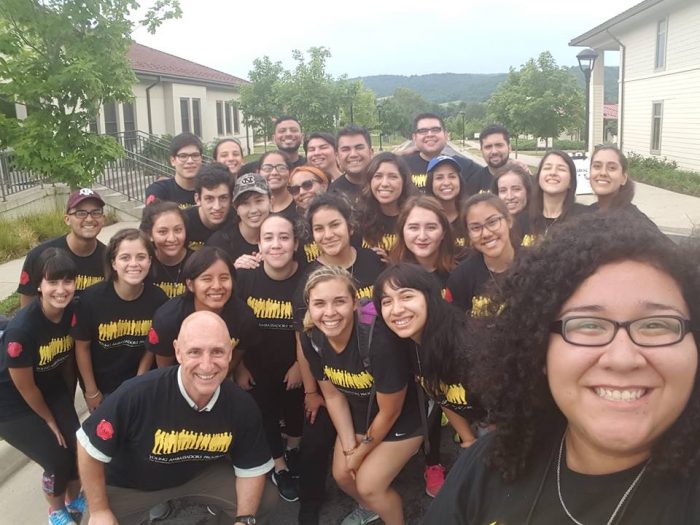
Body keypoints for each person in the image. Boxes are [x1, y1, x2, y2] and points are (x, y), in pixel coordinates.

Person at [425, 211, 700, 524]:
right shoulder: (488, 464)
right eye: (587, 324)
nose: (623, 359)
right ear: (539, 349)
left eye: (655, 324)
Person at [77, 311, 278, 525]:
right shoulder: (138, 393)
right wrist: (99, 510)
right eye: (195, 352)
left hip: (195, 477)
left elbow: (251, 468)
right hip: (132, 484)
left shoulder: (241, 405)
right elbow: (88, 447)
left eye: (217, 352)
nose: (207, 365)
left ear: (230, 353)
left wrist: (244, 520)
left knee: (265, 499)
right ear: (178, 352)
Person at [300, 266, 422, 525]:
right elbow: (332, 397)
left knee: (368, 484)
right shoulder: (311, 337)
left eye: (340, 301)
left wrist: (361, 451)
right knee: (343, 475)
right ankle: (371, 508)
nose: (330, 313)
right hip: (362, 412)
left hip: (404, 415)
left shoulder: (378, 341)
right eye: (319, 303)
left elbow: (391, 411)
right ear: (308, 305)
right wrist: (348, 447)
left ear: (355, 302)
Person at [292, 192, 385, 525]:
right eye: (319, 228)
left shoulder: (374, 263)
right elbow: (303, 340)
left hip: (375, 376)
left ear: (350, 225)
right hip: (331, 379)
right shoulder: (306, 279)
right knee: (315, 436)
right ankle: (310, 504)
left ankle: (378, 488)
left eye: (335, 225)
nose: (328, 234)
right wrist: (311, 392)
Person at [376, 263, 485, 496]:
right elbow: (441, 393)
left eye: (406, 296)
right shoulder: (409, 345)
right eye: (386, 301)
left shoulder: (468, 343)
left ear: (430, 298)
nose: (396, 310)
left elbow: (514, 403)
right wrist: (467, 439)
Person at [0, 248, 84, 525]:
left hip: (49, 387)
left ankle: (75, 499)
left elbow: (69, 360)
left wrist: (65, 406)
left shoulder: (71, 312)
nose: (61, 290)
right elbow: (25, 387)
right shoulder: (22, 331)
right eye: (53, 282)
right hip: (12, 403)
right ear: (39, 285)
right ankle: (56, 511)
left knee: (77, 446)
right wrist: (49, 420)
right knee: (56, 459)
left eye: (67, 282)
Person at [235, 214, 305, 503]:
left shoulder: (309, 276)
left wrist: (303, 364)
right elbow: (233, 325)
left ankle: (294, 450)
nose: (276, 245)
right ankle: (279, 465)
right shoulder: (246, 277)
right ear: (258, 244)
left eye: (284, 237)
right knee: (263, 409)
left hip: (297, 364)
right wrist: (238, 366)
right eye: (268, 238)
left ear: (296, 243)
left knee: (296, 412)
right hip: (255, 366)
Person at [73, 229, 168, 411]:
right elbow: (82, 346)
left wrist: (140, 380)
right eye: (125, 258)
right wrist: (91, 390)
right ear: (114, 263)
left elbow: (152, 345)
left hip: (141, 382)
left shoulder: (158, 298)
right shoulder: (91, 299)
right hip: (103, 388)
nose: (134, 264)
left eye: (141, 257)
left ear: (149, 261)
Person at [148, 247, 262, 372]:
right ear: (190, 285)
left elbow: (235, 357)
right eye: (207, 279)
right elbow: (164, 368)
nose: (217, 286)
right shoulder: (168, 318)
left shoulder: (244, 317)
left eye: (224, 278)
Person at [17, 188, 106, 307]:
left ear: (103, 218)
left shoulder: (110, 258)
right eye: (81, 213)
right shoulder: (39, 256)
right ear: (67, 219)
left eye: (96, 212)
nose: (89, 219)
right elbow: (26, 309)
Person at [446, 193, 518, 315]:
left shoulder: (535, 264)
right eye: (476, 228)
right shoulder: (462, 278)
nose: (486, 233)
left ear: (509, 221)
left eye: (492, 222)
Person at [402, 113, 485, 194]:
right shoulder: (402, 165)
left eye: (435, 130)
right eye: (423, 131)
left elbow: (492, 177)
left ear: (445, 135)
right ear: (414, 137)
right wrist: (401, 153)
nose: (430, 134)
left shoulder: (464, 166)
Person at [358, 152, 417, 261]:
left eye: (393, 177)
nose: (384, 183)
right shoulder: (359, 217)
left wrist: (392, 263)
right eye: (378, 176)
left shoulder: (415, 217)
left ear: (404, 181)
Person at [207, 173, 272, 270]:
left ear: (271, 201)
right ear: (236, 208)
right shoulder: (220, 242)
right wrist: (233, 269)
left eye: (259, 201)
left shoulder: (285, 234)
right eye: (245, 203)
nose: (253, 210)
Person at [389, 195, 455, 288]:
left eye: (431, 227)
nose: (422, 236)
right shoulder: (392, 276)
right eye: (414, 228)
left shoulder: (462, 271)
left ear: (443, 232)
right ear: (402, 231)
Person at [588, 145, 658, 229]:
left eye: (612, 168)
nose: (603, 173)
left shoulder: (637, 225)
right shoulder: (586, 214)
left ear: (623, 178)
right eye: (597, 166)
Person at [528, 150, 589, 242]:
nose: (553, 173)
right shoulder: (524, 219)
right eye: (547, 168)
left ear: (570, 182)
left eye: (561, 169)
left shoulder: (585, 218)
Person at [139, 200, 192, 298]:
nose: (172, 238)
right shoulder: (142, 264)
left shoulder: (198, 262)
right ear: (149, 234)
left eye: (178, 230)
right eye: (163, 232)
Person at [184, 162, 234, 250]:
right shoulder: (183, 222)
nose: (217, 207)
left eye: (223, 198)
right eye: (209, 199)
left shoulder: (238, 221)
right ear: (198, 199)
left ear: (231, 199)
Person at [145, 133, 203, 207]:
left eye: (195, 155)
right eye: (183, 156)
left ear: (201, 159)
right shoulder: (159, 190)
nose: (190, 161)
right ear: (173, 160)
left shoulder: (209, 189)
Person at [425, 155, 468, 252]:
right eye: (439, 178)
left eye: (452, 176)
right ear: (430, 183)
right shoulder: (423, 217)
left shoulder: (470, 215)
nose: (446, 182)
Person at [240, 116, 305, 175]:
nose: (288, 134)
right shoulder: (250, 170)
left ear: (302, 137)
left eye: (294, 130)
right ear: (274, 139)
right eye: (282, 131)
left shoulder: (309, 167)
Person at [330, 125, 375, 203]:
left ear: (371, 152)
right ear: (337, 156)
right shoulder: (333, 194)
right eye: (346, 149)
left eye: (359, 148)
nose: (353, 154)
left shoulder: (384, 184)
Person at [258, 150, 296, 220]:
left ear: (290, 172)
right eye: (267, 168)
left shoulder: (299, 205)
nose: (274, 173)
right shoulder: (253, 208)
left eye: (281, 168)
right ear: (258, 172)